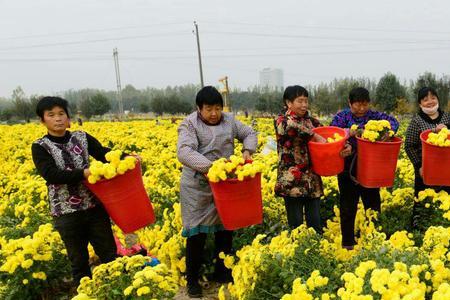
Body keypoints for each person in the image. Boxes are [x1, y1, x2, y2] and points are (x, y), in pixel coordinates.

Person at [176, 86, 257, 298]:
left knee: (225, 229)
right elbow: (184, 151)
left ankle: (221, 272)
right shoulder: (189, 124)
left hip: (224, 185)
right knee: (197, 234)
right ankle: (192, 279)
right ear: (198, 109)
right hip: (198, 187)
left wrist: (247, 150)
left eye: (218, 108)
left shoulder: (229, 121)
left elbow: (249, 132)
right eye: (209, 109)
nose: (214, 113)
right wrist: (211, 168)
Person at [31, 96, 117, 286]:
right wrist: (84, 173)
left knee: (110, 255)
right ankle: (85, 295)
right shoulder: (40, 147)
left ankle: (114, 289)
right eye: (51, 115)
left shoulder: (82, 137)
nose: (58, 118)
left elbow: (104, 154)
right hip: (66, 212)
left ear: (68, 117)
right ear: (42, 120)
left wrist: (126, 158)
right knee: (79, 261)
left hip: (94, 206)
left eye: (61, 113)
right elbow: (51, 174)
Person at [330, 87, 399, 250]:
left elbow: (394, 122)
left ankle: (374, 241)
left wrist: (388, 133)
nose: (361, 109)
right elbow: (334, 134)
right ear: (349, 103)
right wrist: (345, 144)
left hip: (371, 165)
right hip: (348, 167)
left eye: (365, 105)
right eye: (357, 105)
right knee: (348, 205)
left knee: (373, 204)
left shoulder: (375, 117)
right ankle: (348, 243)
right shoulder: (342, 117)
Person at [274, 85, 327, 233]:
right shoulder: (282, 120)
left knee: (315, 223)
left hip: (312, 178)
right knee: (296, 224)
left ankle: (317, 252)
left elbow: (327, 135)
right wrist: (314, 135)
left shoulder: (312, 121)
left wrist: (343, 144)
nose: (304, 105)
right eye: (300, 101)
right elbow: (291, 127)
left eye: (306, 101)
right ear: (289, 103)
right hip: (292, 179)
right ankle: (296, 253)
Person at [405, 87, 450, 228]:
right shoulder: (417, 121)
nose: (430, 102)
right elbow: (409, 145)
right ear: (420, 104)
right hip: (426, 170)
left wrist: (447, 127)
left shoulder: (447, 117)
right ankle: (419, 231)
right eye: (425, 100)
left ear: (438, 99)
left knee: (446, 201)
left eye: (433, 98)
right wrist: (419, 166)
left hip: (446, 169)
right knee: (422, 202)